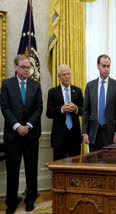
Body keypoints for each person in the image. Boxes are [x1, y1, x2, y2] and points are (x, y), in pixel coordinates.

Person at [1, 54, 43, 213]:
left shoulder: (36, 85)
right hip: (13, 136)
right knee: (12, 171)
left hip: (31, 135)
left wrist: (29, 125)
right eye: (24, 67)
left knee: (31, 170)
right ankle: (11, 203)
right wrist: (18, 126)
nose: (27, 70)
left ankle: (30, 199)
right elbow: (5, 107)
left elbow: (39, 108)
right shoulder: (6, 84)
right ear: (16, 67)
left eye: (29, 67)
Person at [82, 54, 116, 152]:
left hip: (110, 133)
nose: (106, 69)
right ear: (98, 66)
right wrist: (84, 132)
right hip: (93, 133)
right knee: (93, 162)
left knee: (110, 163)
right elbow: (85, 111)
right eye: (103, 66)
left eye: (108, 66)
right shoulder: (90, 86)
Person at [46, 64, 83, 160]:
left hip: (74, 136)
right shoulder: (53, 92)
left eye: (68, 74)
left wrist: (76, 109)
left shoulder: (78, 91)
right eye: (64, 74)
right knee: (59, 168)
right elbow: (49, 113)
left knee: (75, 167)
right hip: (59, 137)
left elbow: (84, 111)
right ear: (59, 77)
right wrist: (62, 109)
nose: (67, 77)